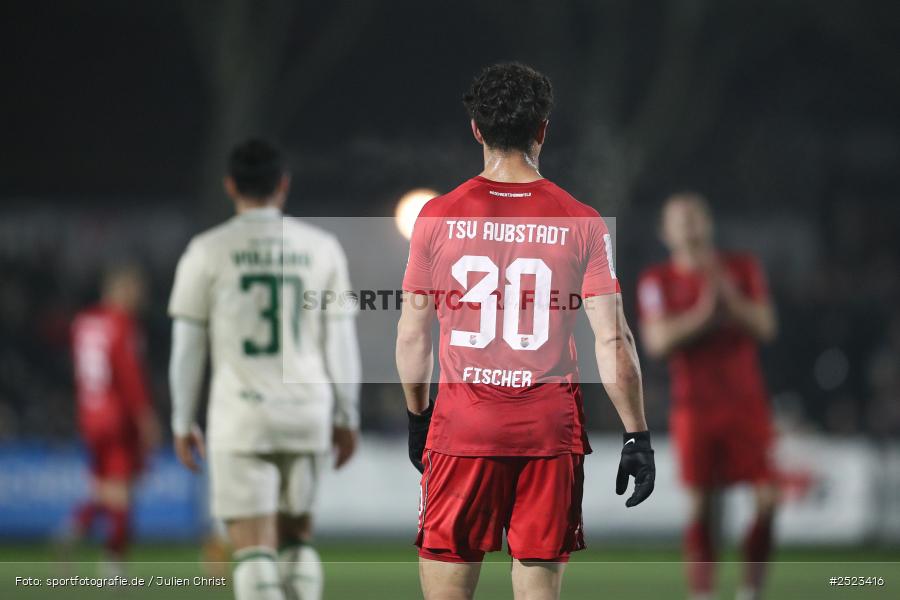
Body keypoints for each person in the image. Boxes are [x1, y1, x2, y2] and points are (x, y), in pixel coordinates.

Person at [396, 62, 655, 600]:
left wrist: (418, 415)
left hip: (463, 431)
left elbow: (412, 336)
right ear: (543, 129)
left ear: (476, 130)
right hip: (547, 436)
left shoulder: (436, 217)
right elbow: (613, 339)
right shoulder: (581, 220)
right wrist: (637, 434)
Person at [168, 139, 361, 600]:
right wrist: (347, 414)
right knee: (297, 542)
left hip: (241, 415)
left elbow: (188, 345)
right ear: (283, 185)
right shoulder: (322, 248)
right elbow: (341, 340)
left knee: (254, 551)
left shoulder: (206, 250)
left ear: (231, 185)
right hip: (306, 410)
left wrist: (180, 420)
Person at [637, 192, 779, 600]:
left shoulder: (740, 268)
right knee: (701, 505)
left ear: (708, 223)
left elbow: (765, 326)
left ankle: (750, 589)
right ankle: (704, 593)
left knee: (767, 498)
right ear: (666, 232)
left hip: (746, 402)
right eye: (679, 219)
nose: (689, 225)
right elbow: (658, 341)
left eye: (695, 216)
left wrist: (728, 300)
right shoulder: (657, 280)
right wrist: (703, 314)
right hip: (694, 407)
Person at [69, 264, 159, 571]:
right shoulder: (122, 323)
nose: (139, 298)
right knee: (123, 491)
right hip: (117, 417)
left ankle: (74, 528)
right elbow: (129, 374)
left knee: (103, 487)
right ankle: (113, 564)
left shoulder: (84, 322)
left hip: (89, 415)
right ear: (119, 291)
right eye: (135, 291)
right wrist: (145, 417)